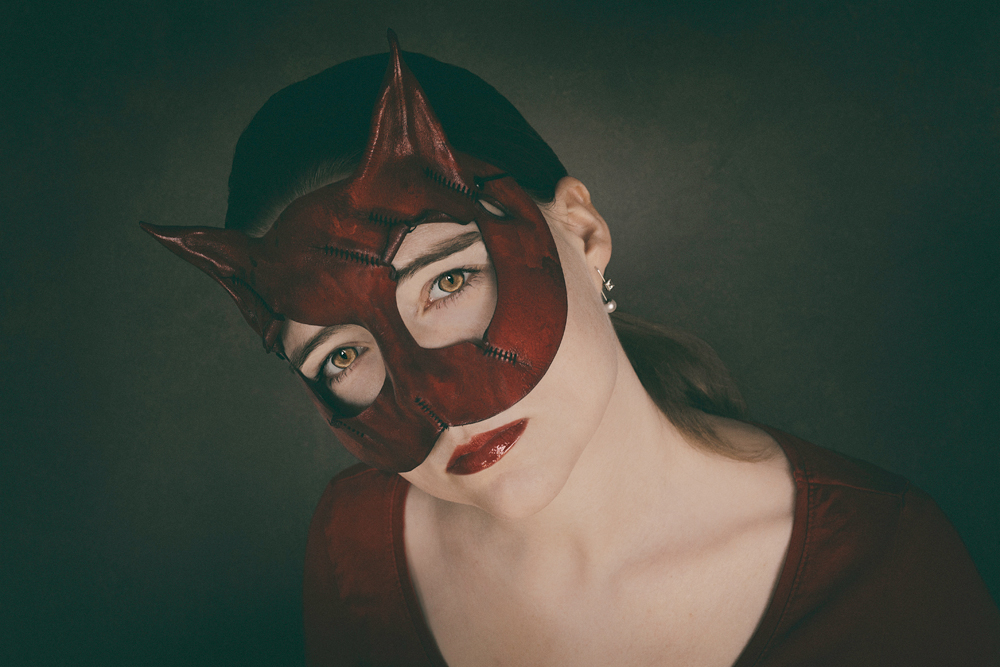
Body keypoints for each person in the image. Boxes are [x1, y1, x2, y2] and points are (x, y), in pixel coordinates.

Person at [143, 31, 1000, 667]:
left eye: (448, 280)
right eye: (339, 356)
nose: (433, 401)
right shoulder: (354, 543)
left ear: (583, 233)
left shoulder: (888, 573)